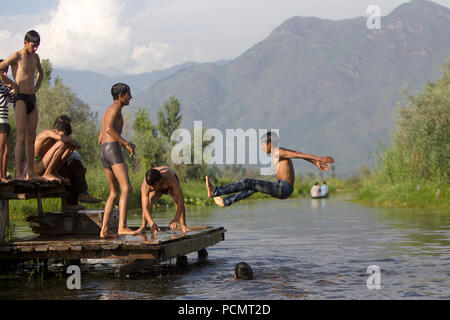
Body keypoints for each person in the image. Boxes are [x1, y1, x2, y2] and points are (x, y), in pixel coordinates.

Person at [205, 131, 335, 207]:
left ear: (268, 144)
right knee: (252, 188)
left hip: (283, 188)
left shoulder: (278, 151)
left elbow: (300, 155)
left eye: (262, 145)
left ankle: (215, 191)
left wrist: (319, 158)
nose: (262, 148)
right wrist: (315, 162)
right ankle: (225, 201)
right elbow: (298, 155)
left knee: (248, 182)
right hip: (282, 187)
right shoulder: (280, 151)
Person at [0, 30, 43, 180]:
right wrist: (12, 84)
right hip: (20, 98)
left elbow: (41, 73)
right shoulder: (16, 56)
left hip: (32, 97)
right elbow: (1, 69)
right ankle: (18, 173)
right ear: (25, 43)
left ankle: (30, 173)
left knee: (32, 137)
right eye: (33, 45)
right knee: (21, 136)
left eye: (37, 46)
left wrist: (37, 86)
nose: (35, 48)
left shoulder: (35, 57)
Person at [98, 83, 136, 238]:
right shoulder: (114, 108)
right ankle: (122, 226)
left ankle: (104, 230)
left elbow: (101, 137)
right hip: (112, 149)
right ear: (120, 96)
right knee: (127, 188)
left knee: (114, 192)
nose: (131, 97)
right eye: (128, 94)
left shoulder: (108, 110)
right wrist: (125, 144)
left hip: (104, 150)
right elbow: (108, 129)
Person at [53, 115, 101, 207]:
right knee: (74, 165)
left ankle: (72, 204)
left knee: (73, 169)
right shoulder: (54, 137)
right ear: (56, 127)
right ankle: (83, 194)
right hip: (50, 170)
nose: (66, 127)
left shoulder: (62, 138)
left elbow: (75, 150)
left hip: (58, 167)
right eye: (64, 124)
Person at [137, 166, 190, 235]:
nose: (151, 188)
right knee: (150, 199)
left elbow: (180, 197)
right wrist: (151, 223)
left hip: (169, 184)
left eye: (153, 185)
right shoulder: (146, 185)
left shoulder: (169, 177)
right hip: (158, 185)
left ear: (160, 181)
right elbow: (144, 207)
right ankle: (143, 227)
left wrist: (176, 218)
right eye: (150, 186)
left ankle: (183, 225)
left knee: (176, 199)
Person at [34, 118, 81, 182]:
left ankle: (54, 172)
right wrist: (69, 139)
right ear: (55, 130)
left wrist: (70, 140)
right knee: (62, 143)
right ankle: (48, 173)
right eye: (62, 135)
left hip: (43, 165)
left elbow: (78, 146)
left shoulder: (56, 139)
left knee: (71, 147)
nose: (63, 138)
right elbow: (62, 139)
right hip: (35, 167)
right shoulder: (47, 133)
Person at [0, 59, 18, 182]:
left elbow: (11, 98)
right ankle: (0, 175)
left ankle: (4, 173)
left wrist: (13, 88)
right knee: (1, 148)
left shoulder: (3, 86)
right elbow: (3, 101)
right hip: (0, 119)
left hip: (5, 120)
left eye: (6, 71)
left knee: (7, 148)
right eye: (2, 71)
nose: (5, 74)